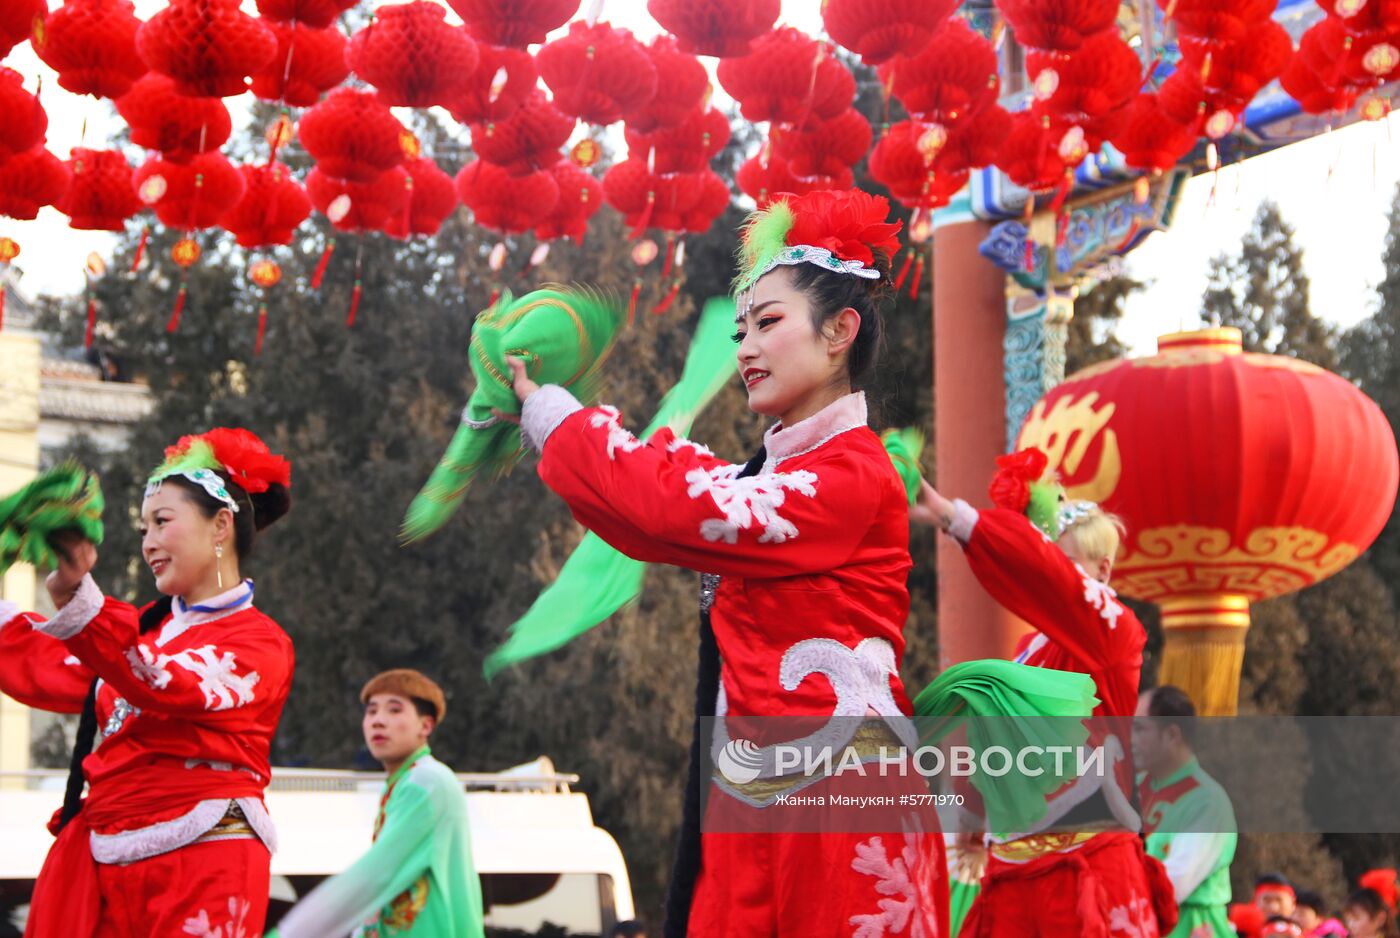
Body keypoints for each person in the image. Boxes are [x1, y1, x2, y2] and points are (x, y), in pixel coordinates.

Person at [505, 188, 948, 936]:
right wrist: (544, 412)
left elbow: (672, 505)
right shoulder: (772, 479)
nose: (744, 348)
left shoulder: (851, 475)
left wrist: (555, 415)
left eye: (768, 324)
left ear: (840, 330)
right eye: (741, 328)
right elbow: (666, 496)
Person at [0, 428, 294, 938]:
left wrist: (80, 600)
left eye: (161, 522)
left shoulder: (259, 642)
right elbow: (52, 666)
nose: (148, 543)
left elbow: (165, 682)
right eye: (142, 530)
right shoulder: (144, 635)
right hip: (108, 857)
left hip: (205, 854)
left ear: (221, 524)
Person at [913, 462, 1176, 936]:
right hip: (1012, 871)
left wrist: (957, 517)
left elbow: (1049, 580)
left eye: (1063, 563)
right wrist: (973, 821)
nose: (1047, 576)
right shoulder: (1027, 656)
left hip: (1091, 861)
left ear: (1103, 571)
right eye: (1044, 557)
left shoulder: (1117, 638)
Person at [270, 668, 483, 938]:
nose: (378, 721)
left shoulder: (426, 782)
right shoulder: (403, 783)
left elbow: (372, 877)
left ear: (425, 726)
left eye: (395, 710)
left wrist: (287, 934)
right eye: (371, 712)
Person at [1135, 685, 1238, 938]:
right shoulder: (1132, 786)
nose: (1129, 738)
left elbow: (1173, 885)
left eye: (1139, 729)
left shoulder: (1208, 802)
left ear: (1171, 735)